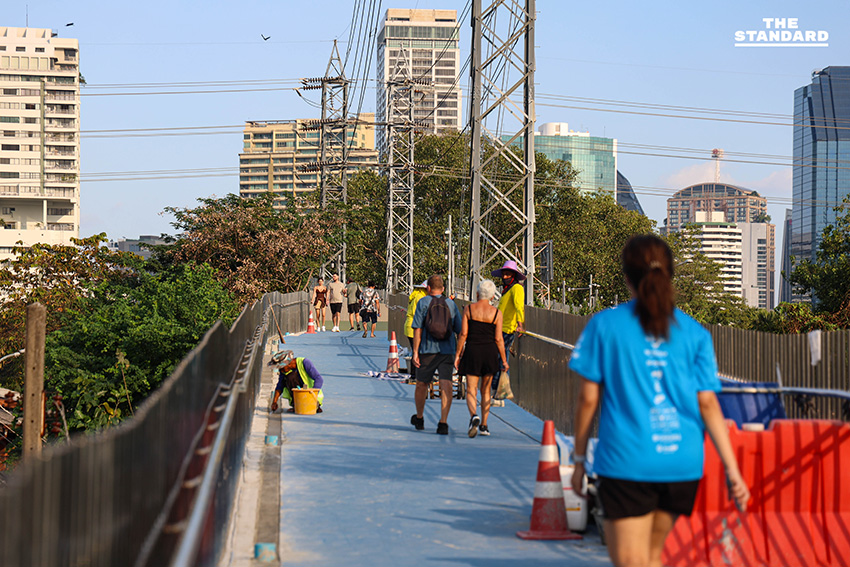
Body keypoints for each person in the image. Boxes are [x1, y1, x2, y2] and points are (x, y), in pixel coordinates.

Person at [568, 234, 750, 567]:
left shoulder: (605, 326)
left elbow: (587, 399)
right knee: (651, 558)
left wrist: (579, 458)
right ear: (670, 273)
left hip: (626, 463)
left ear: (626, 276)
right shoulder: (695, 333)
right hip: (682, 465)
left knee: (632, 561)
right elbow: (708, 404)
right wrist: (732, 469)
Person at [454, 279, 508, 438]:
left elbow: (463, 334)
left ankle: (473, 416)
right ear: (492, 297)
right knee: (486, 390)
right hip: (490, 353)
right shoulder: (497, 313)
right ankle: (484, 425)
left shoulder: (469, 310)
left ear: (477, 294)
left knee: (471, 388)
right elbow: (499, 339)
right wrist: (504, 360)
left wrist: (458, 354)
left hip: (473, 351)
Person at [410, 275, 462, 435]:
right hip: (447, 350)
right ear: (443, 289)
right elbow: (460, 330)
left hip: (427, 350)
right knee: (445, 383)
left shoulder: (423, 302)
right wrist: (459, 353)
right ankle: (443, 422)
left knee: (422, 383)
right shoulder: (451, 304)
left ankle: (419, 418)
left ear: (428, 288)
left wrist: (415, 352)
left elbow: (417, 328)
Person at [491, 260, 526, 400]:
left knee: (502, 359)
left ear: (513, 275)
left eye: (508, 274)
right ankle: (496, 390)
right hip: (500, 329)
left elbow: (519, 307)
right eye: (503, 274)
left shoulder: (516, 288)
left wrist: (520, 324)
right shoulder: (507, 290)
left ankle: (501, 391)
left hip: (507, 330)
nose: (505, 277)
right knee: (499, 359)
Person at [403, 280, 428, 351]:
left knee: (415, 352)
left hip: (410, 326)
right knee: (417, 352)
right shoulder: (420, 297)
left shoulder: (417, 295)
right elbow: (417, 313)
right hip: (414, 327)